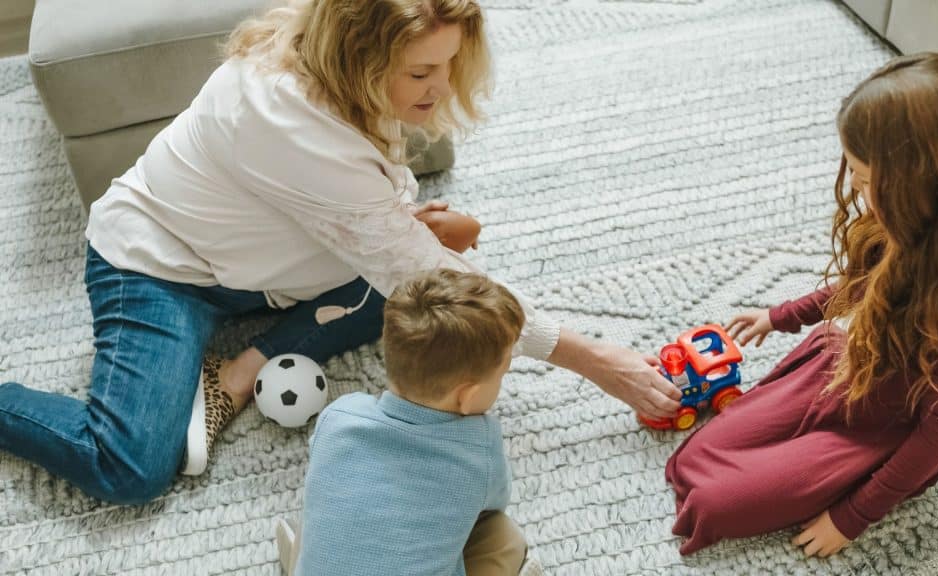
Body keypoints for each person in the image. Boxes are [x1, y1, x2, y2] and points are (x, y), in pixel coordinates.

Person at [0, 0, 679, 506]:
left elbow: (375, 221)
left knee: (416, 292)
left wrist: (401, 221)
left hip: (276, 264)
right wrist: (596, 359)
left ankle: (238, 372)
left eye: (448, 65)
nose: (441, 87)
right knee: (130, 467)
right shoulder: (287, 118)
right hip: (158, 266)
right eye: (422, 71)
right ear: (360, 54)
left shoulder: (328, 57)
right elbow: (409, 255)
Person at [664, 52, 938, 557]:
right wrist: (779, 316)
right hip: (854, 369)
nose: (852, 186)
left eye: (864, 178)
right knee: (696, 455)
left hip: (887, 432)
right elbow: (858, 288)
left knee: (715, 504)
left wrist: (851, 519)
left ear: (918, 186)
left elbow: (937, 433)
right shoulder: (913, 225)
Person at [275, 269, 542, 575]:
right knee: (501, 534)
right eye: (502, 375)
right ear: (467, 396)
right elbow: (493, 505)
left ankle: (300, 559)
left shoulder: (339, 416)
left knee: (329, 505)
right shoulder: (479, 447)